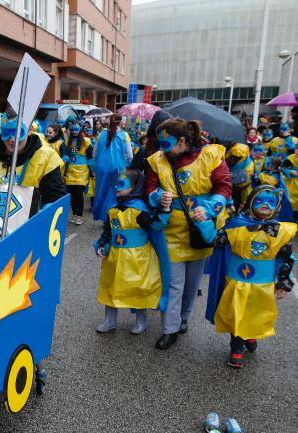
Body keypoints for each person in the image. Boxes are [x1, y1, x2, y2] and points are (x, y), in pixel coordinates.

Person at [145, 118, 232, 350]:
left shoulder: (210, 156)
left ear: (182, 140)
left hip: (199, 230)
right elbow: (150, 189)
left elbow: (224, 186)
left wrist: (211, 208)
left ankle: (183, 317)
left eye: (167, 143)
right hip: (171, 232)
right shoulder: (158, 160)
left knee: (192, 283)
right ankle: (169, 328)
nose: (162, 148)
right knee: (173, 284)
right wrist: (157, 197)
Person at [204, 185, 296, 368]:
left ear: (277, 206)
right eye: (260, 200)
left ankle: (250, 335)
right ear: (250, 202)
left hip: (262, 284)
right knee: (236, 313)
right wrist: (203, 221)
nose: (265, 205)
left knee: (255, 313)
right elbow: (216, 240)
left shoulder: (282, 231)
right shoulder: (235, 224)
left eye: (271, 202)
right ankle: (236, 348)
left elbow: (286, 258)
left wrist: (283, 284)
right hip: (237, 281)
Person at [94, 169, 170, 335]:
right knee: (110, 287)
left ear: (134, 187)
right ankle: (110, 320)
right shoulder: (113, 209)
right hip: (115, 257)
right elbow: (108, 232)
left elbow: (155, 225)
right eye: (116, 184)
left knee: (138, 289)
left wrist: (164, 209)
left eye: (121, 185)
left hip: (137, 258)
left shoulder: (139, 211)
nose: (116, 188)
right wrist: (103, 244)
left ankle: (141, 321)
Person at [0, 115, 66, 206]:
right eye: (7, 133)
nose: (12, 139)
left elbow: (55, 200)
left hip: (31, 222)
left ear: (30, 130)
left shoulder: (46, 157)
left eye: (18, 132)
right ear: (2, 130)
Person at [92, 113, 134, 221]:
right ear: (120, 122)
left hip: (102, 170)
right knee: (117, 194)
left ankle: (104, 217)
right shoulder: (124, 135)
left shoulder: (101, 134)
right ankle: (114, 219)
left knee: (102, 193)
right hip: (119, 170)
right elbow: (130, 155)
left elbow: (94, 153)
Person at [63, 122, 93, 224]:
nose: (75, 132)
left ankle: (79, 216)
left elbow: (90, 157)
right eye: (73, 130)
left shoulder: (86, 141)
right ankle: (75, 214)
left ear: (80, 130)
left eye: (76, 130)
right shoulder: (68, 141)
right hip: (70, 171)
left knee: (79, 194)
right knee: (72, 194)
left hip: (82, 171)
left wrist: (92, 170)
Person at [224, 142, 254, 210]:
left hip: (238, 189)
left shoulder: (249, 164)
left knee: (235, 205)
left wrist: (230, 176)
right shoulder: (226, 155)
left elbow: (243, 181)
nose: (233, 158)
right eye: (232, 156)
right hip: (225, 187)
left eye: (237, 157)